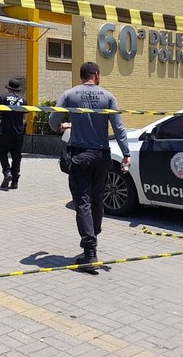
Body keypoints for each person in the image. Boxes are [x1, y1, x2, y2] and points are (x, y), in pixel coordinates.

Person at [49, 61, 131, 272]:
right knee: (96, 199)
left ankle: (89, 251)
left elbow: (52, 121)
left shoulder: (70, 95)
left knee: (83, 202)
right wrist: (126, 154)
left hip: (80, 156)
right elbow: (119, 128)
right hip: (102, 156)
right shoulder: (108, 97)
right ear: (96, 75)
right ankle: (93, 233)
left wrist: (63, 125)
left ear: (81, 76)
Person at [0, 78, 26, 189]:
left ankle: (7, 172)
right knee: (16, 156)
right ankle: (15, 181)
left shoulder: (3, 98)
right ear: (18, 89)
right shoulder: (23, 100)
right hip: (19, 132)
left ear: (9, 88)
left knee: (1, 152)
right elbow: (24, 117)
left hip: (6, 131)